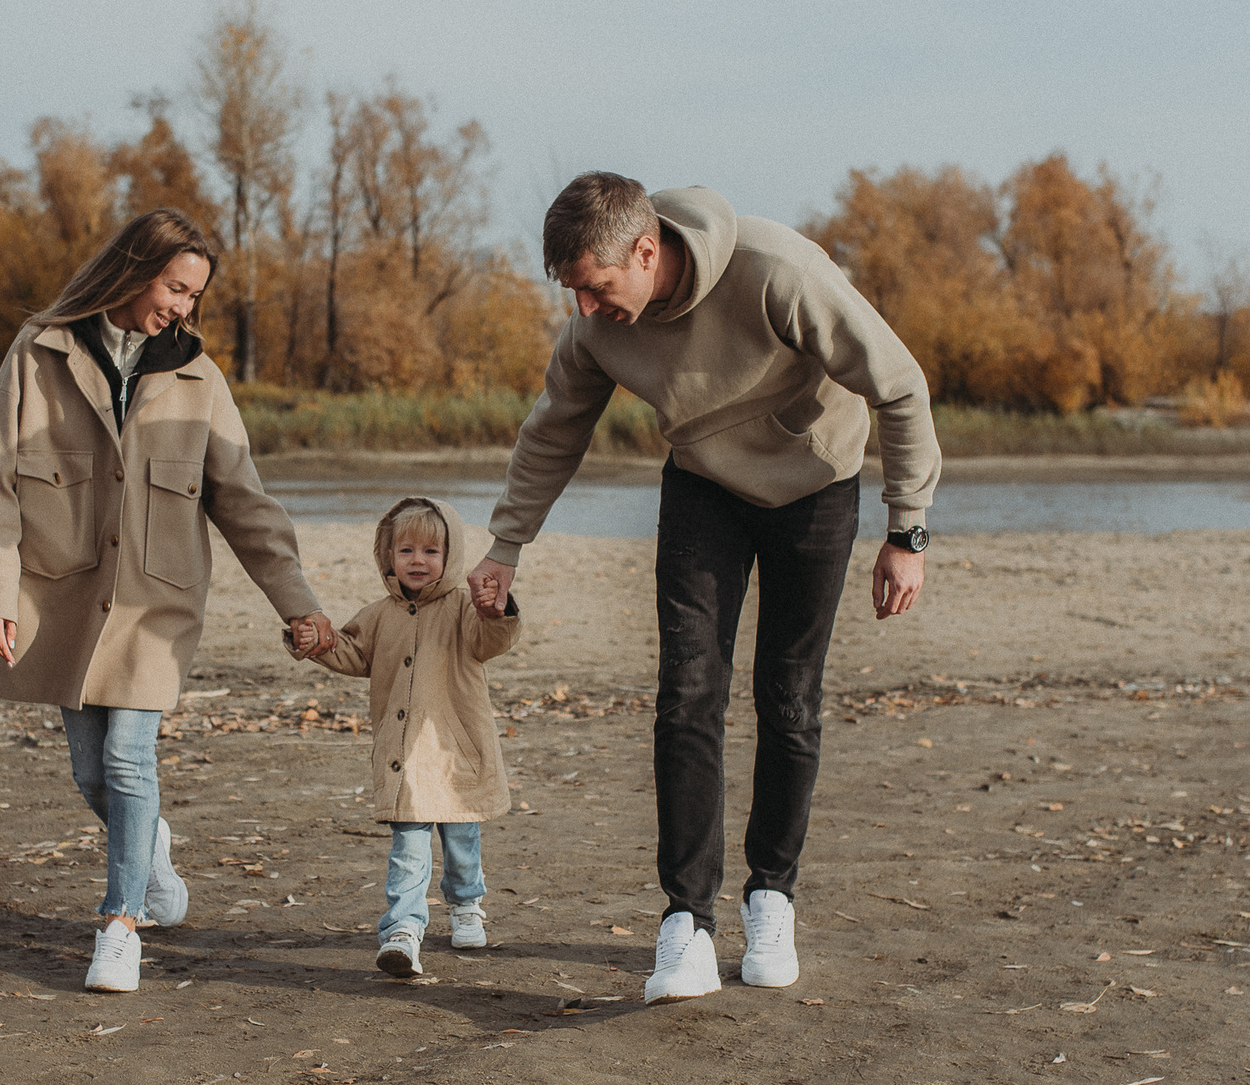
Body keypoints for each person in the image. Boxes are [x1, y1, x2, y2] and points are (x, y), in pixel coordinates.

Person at [470, 174, 940, 1004]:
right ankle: (686, 923)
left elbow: (899, 383)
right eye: (571, 288)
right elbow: (554, 429)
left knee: (787, 696)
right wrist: (506, 544)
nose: (583, 308)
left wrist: (907, 531)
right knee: (687, 693)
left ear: (646, 251)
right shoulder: (596, 330)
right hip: (703, 488)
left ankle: (772, 896)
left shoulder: (775, 271)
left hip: (815, 484)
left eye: (596, 285)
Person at [0, 209, 335, 994]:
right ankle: (150, 845)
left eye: (195, 295)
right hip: (60, 595)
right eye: (175, 287)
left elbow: (246, 503)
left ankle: (120, 925)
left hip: (156, 605)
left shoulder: (200, 380)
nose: (183, 308)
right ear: (134, 270)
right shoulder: (39, 350)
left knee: (130, 759)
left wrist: (296, 603)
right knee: (94, 774)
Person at [295, 497, 521, 978]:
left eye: (431, 552)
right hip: (404, 756)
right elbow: (354, 654)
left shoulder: (463, 608)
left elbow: (491, 641)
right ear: (388, 557)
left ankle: (465, 906)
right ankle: (402, 930)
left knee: (462, 840)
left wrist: (495, 611)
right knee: (409, 847)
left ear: (451, 557)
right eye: (406, 551)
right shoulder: (379, 614)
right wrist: (319, 643)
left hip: (455, 751)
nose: (418, 561)